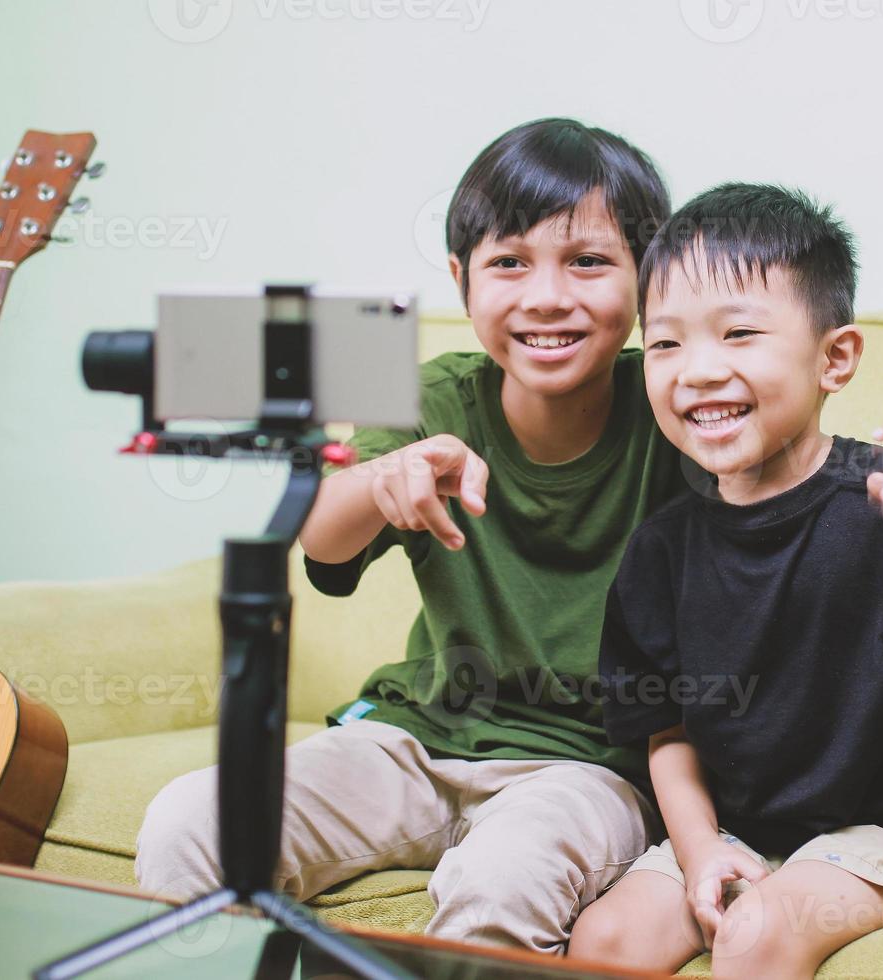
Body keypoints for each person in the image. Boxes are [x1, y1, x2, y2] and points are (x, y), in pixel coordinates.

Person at [135, 117, 689, 954]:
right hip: (414, 738)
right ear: (463, 280)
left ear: (648, 280)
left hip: (586, 767)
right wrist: (378, 482)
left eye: (588, 261)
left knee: (501, 879)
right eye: (509, 262)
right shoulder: (434, 399)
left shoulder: (673, 413)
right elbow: (322, 541)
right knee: (191, 823)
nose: (546, 296)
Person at [566, 182, 883, 978]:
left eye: (737, 334)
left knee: (761, 927)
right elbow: (666, 733)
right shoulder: (661, 548)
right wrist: (699, 855)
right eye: (664, 344)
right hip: (741, 829)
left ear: (835, 357)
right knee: (603, 942)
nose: (697, 371)